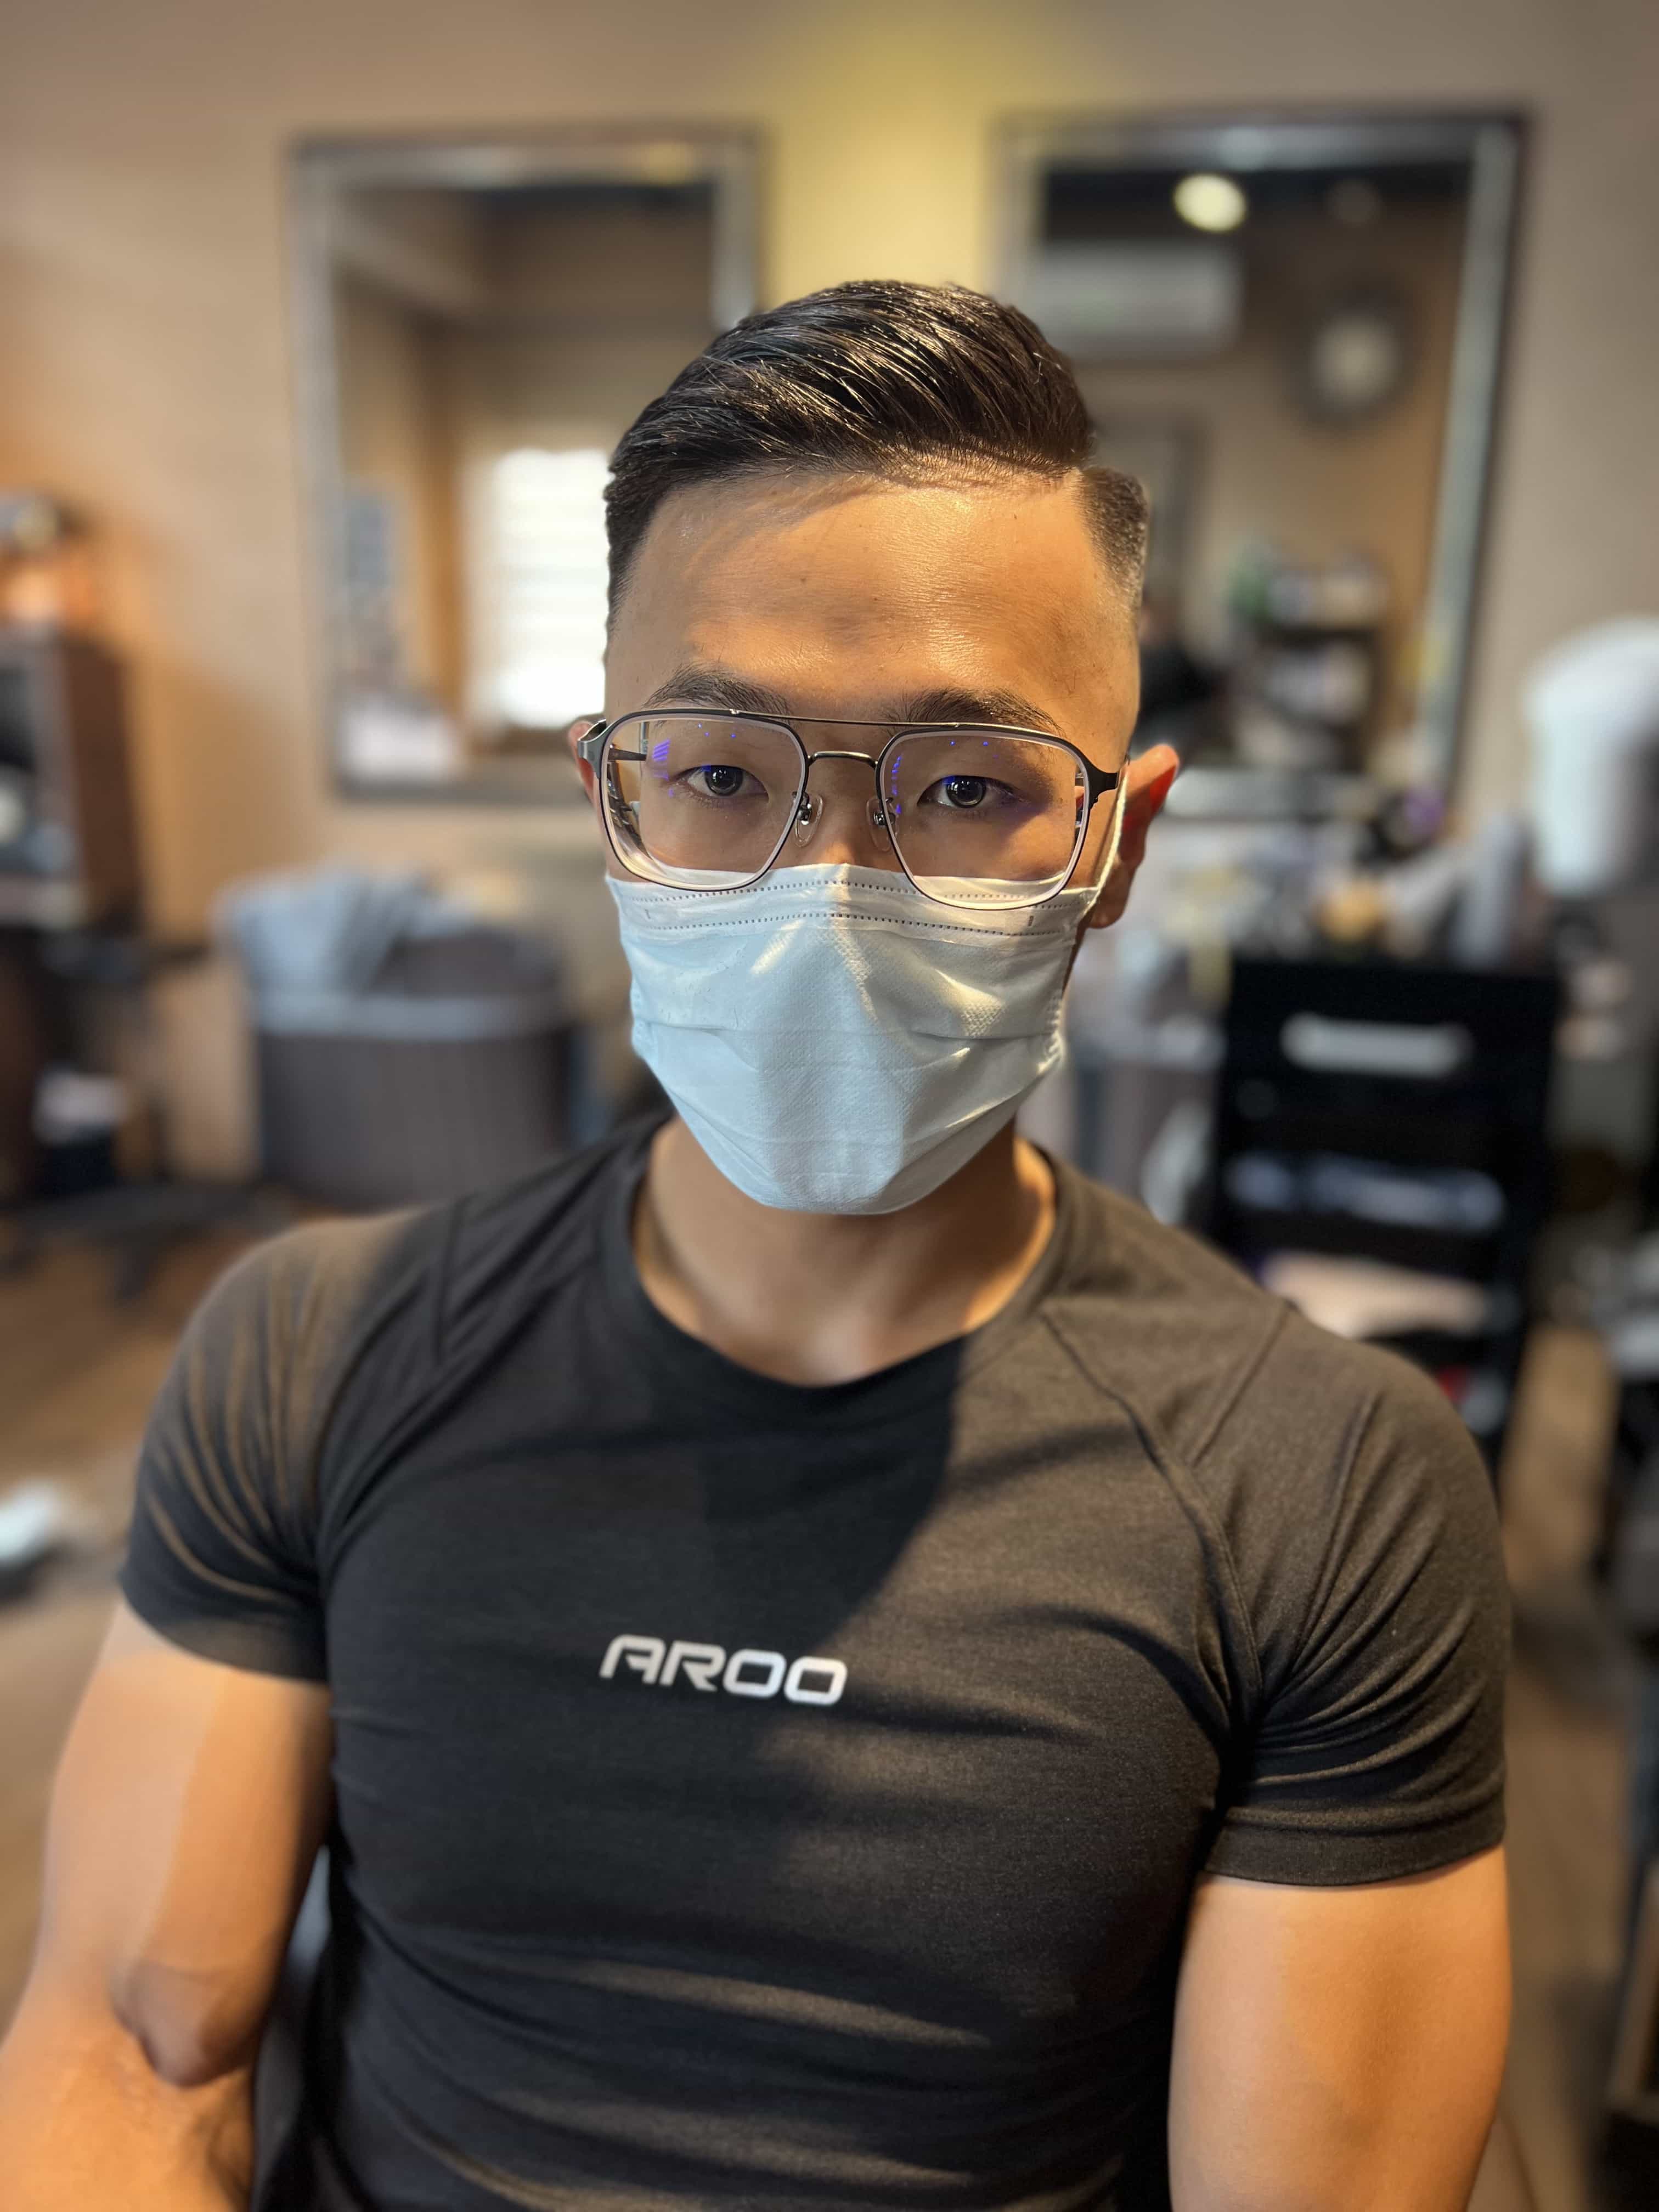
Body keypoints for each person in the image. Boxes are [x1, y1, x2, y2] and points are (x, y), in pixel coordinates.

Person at [0, 282, 1509, 2212]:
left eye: (966, 788)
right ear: (611, 798)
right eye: (722, 773)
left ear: (1115, 847)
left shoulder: (1328, 1487)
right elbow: (133, 2049)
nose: (828, 891)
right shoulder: (312, 1349)